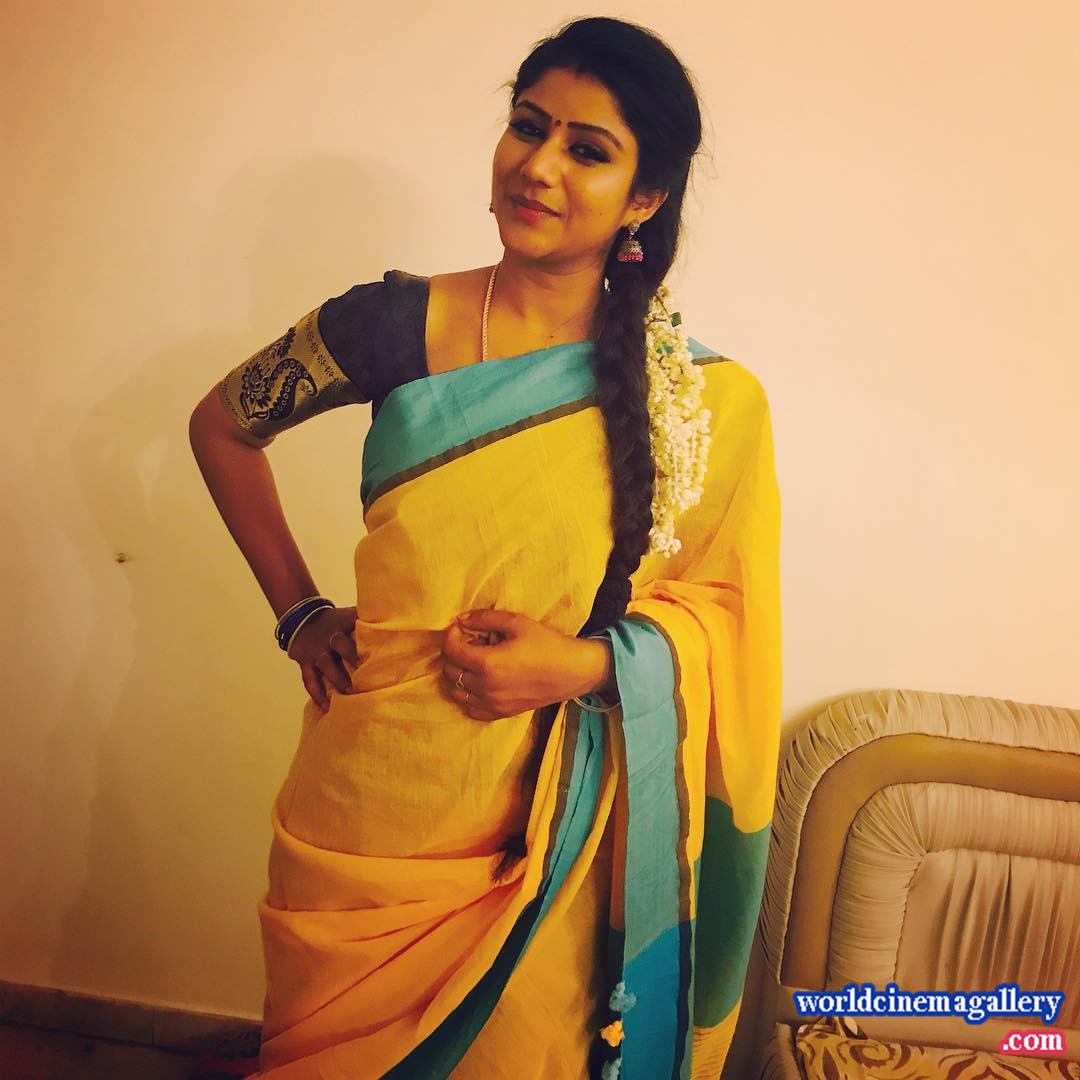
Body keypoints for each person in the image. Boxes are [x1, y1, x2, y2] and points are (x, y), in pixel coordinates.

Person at [188, 16, 781, 1080]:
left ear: (645, 197)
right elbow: (223, 427)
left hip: (552, 830)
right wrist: (300, 613)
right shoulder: (385, 325)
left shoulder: (700, 400)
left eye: (587, 150)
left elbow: (725, 615)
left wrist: (585, 664)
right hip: (372, 801)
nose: (538, 165)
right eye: (527, 126)